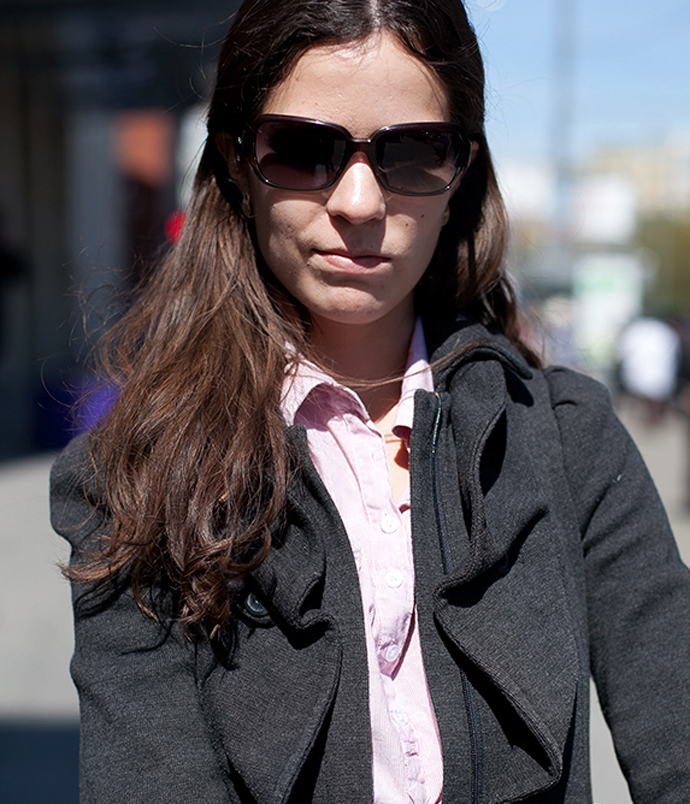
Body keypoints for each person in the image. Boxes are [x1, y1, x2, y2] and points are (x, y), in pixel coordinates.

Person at [50, 1, 690, 802]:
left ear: (461, 174)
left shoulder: (568, 440)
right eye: (302, 149)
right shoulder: (130, 479)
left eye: (412, 152)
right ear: (237, 164)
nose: (358, 202)